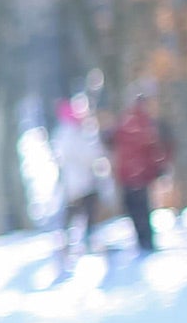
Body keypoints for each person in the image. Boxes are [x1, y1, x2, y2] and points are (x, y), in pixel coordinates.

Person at [108, 91, 173, 254]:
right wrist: (159, 166)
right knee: (142, 209)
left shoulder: (125, 121)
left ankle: (143, 242)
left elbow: (112, 141)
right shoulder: (146, 124)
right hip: (139, 174)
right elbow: (154, 149)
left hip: (127, 174)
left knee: (135, 210)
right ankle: (147, 243)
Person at [51, 98, 106, 253]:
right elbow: (88, 155)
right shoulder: (73, 133)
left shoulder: (63, 134)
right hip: (81, 181)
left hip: (73, 181)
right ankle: (82, 239)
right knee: (85, 211)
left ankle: (68, 240)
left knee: (75, 212)